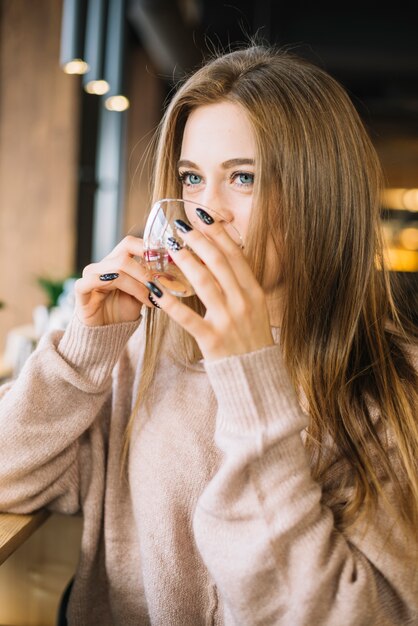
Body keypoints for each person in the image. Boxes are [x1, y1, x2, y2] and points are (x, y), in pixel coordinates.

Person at [0, 44, 417, 626]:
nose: (204, 214)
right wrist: (82, 352)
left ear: (320, 194)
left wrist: (251, 376)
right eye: (192, 179)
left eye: (243, 178)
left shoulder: (393, 387)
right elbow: (6, 477)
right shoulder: (144, 355)